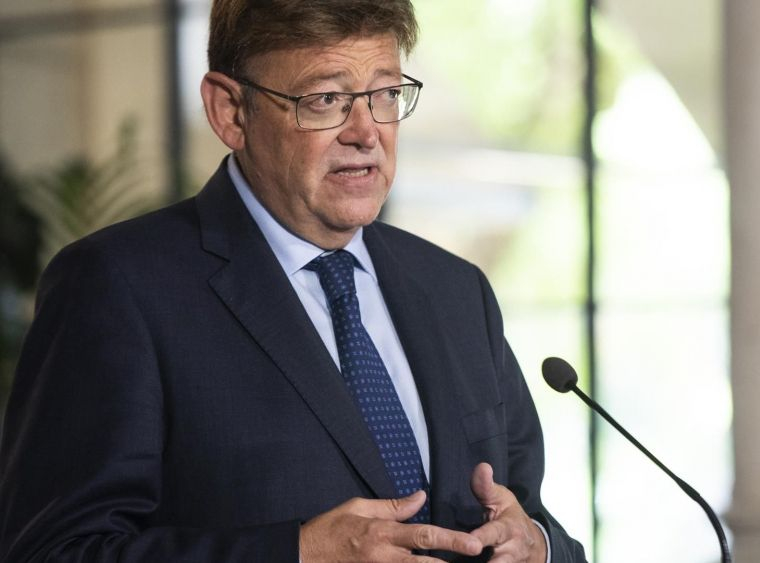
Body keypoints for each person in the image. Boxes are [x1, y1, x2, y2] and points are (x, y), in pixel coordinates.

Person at [0, 1, 587, 561]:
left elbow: (532, 518)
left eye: (386, 94)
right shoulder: (118, 287)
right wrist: (297, 553)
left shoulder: (456, 290)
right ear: (231, 112)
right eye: (327, 99)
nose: (366, 132)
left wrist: (536, 546)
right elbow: (51, 551)